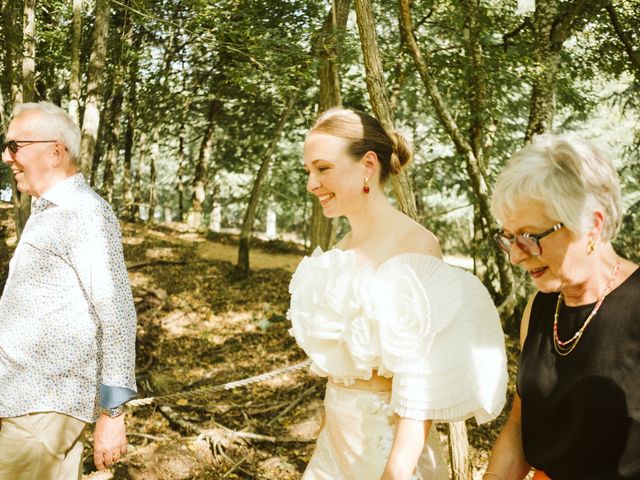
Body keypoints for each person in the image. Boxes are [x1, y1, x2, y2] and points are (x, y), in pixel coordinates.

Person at [287, 107, 508, 479]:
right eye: (308, 171)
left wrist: (397, 471)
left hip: (392, 451)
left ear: (367, 165)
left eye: (322, 168)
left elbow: (422, 379)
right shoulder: (340, 247)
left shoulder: (416, 245)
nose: (312, 183)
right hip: (336, 449)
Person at [484, 135, 640, 480]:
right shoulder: (538, 309)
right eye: (508, 238)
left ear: (592, 225)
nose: (514, 255)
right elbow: (518, 425)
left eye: (529, 237)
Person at [0, 102, 137, 479]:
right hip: (26, 405)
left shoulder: (84, 212)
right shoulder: (50, 212)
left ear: (55, 151)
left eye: (15, 146)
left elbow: (119, 315)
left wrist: (112, 414)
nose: (6, 156)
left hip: (41, 410)